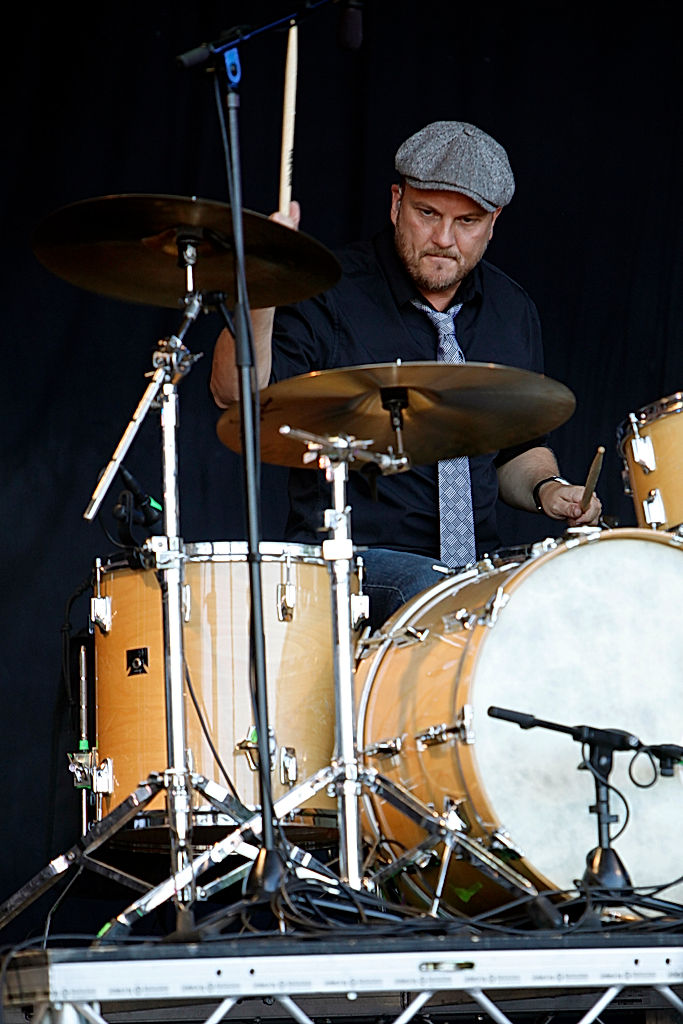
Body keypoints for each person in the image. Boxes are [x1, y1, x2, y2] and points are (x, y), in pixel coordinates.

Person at [211, 120, 601, 630]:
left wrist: (549, 488)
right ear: (396, 202)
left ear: (494, 222)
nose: (443, 238)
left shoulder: (511, 310)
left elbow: (513, 451)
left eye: (467, 222)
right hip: (353, 565)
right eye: (427, 213)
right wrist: (261, 285)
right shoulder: (332, 292)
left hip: (475, 570)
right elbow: (235, 391)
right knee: (435, 595)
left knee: (577, 604)